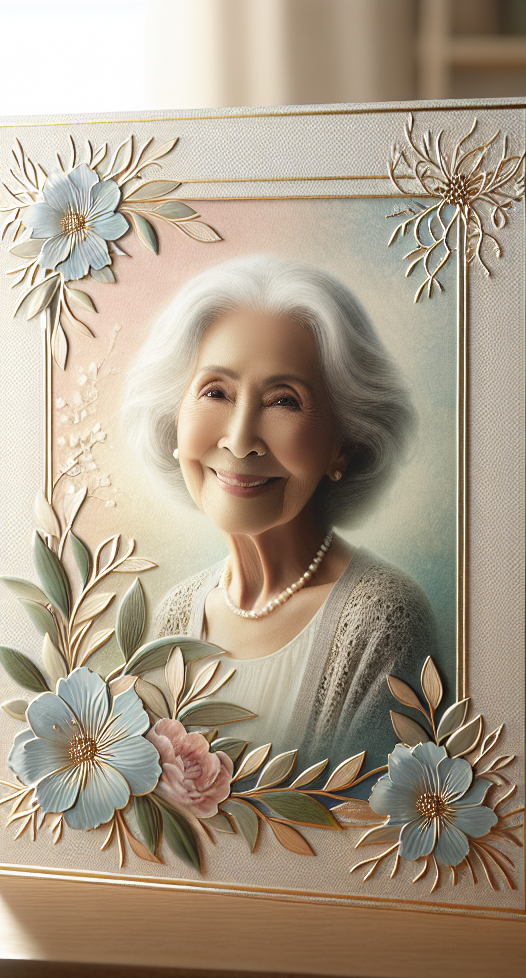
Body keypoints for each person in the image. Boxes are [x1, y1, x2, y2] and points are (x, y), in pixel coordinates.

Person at [123, 255, 437, 767]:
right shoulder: (177, 614)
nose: (241, 439)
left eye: (284, 401)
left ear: (343, 443)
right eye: (216, 392)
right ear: (173, 416)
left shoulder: (382, 620)